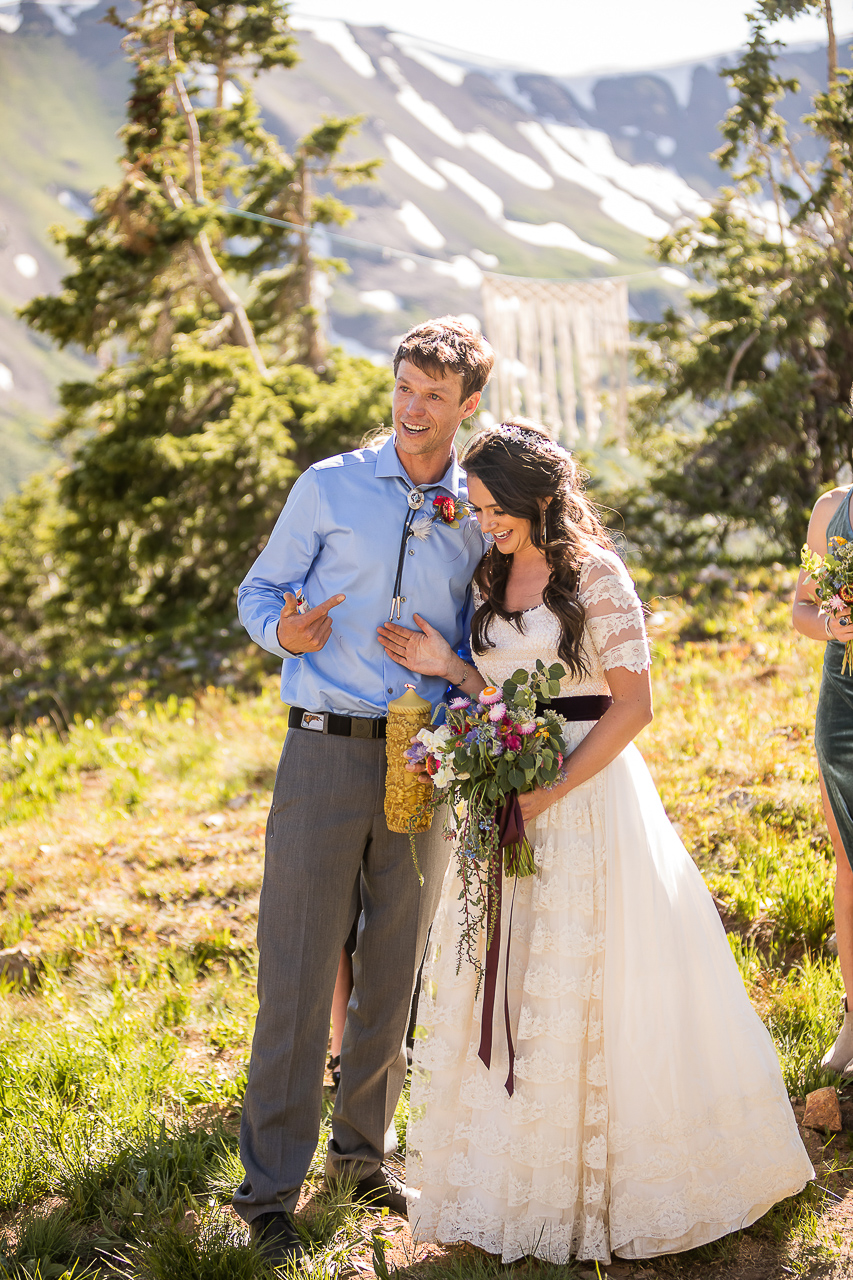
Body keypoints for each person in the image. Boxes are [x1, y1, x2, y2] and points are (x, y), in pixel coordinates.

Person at [378, 421, 813, 1265]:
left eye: (494, 508)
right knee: (509, 978)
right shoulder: (490, 571)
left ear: (539, 498)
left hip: (583, 799)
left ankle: (617, 1180)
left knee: (593, 980)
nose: (484, 521)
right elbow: (502, 689)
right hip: (508, 798)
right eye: (475, 508)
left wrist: (551, 789)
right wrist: (453, 667)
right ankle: (512, 1179)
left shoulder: (596, 577)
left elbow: (632, 707)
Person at [233, 317, 495, 1270]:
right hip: (322, 750)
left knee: (394, 968)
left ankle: (360, 1158)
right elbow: (257, 594)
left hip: (423, 754)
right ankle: (267, 1191)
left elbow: (495, 633)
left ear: (469, 407)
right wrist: (284, 634)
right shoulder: (328, 485)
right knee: (297, 976)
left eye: (433, 397)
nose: (412, 411)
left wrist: (452, 664)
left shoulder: (480, 507)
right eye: (402, 389)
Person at [793, 482, 853, 1072]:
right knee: (848, 856)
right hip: (846, 705)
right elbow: (802, 610)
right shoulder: (834, 511)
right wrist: (835, 625)